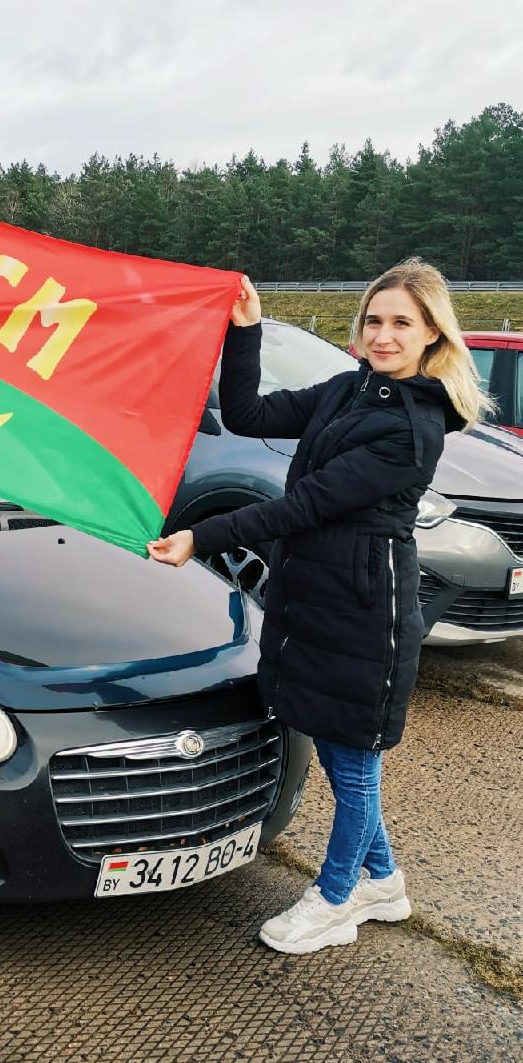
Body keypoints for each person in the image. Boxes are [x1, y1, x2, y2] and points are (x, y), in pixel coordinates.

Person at [148, 260, 490, 954]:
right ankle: (384, 880)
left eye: (402, 323)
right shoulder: (346, 390)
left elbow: (304, 504)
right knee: (339, 749)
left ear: (432, 335)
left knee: (356, 759)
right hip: (316, 593)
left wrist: (200, 536)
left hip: (366, 609)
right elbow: (247, 414)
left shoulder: (415, 427)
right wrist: (244, 331)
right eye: (375, 320)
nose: (384, 335)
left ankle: (337, 897)